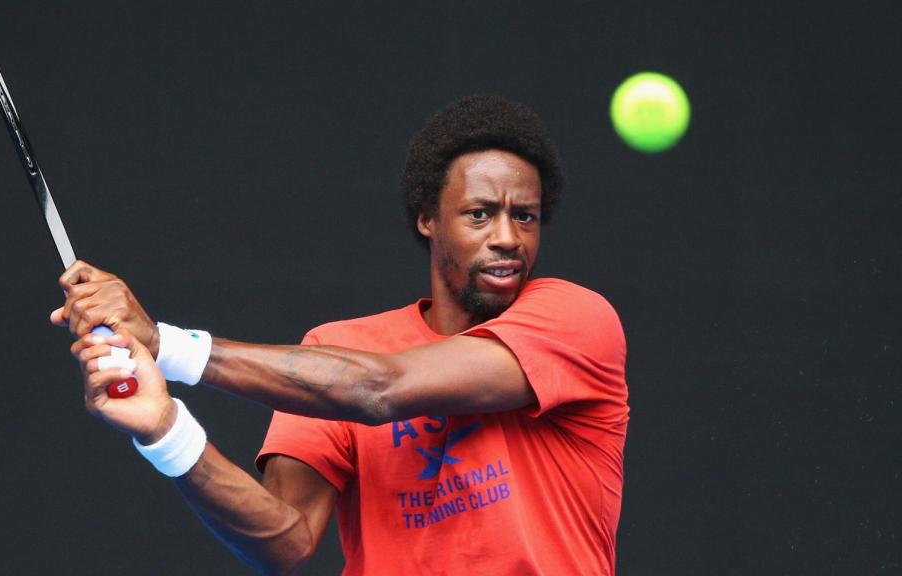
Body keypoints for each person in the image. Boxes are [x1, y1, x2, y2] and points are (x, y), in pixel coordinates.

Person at [54, 95, 629, 575]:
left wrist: (165, 345)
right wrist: (165, 430)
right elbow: (285, 539)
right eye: (479, 214)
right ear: (427, 218)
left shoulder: (575, 320)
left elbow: (379, 390)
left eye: (524, 216)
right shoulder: (336, 352)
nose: (508, 237)